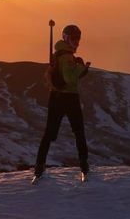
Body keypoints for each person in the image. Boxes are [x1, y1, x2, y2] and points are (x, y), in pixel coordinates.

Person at [34, 24, 91, 182]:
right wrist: (82, 67)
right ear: (66, 38)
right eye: (74, 39)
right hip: (70, 98)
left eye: (78, 39)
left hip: (55, 97)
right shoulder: (66, 56)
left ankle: (39, 167)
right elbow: (69, 79)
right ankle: (84, 166)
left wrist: (78, 69)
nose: (77, 42)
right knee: (79, 132)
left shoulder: (58, 54)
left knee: (49, 133)